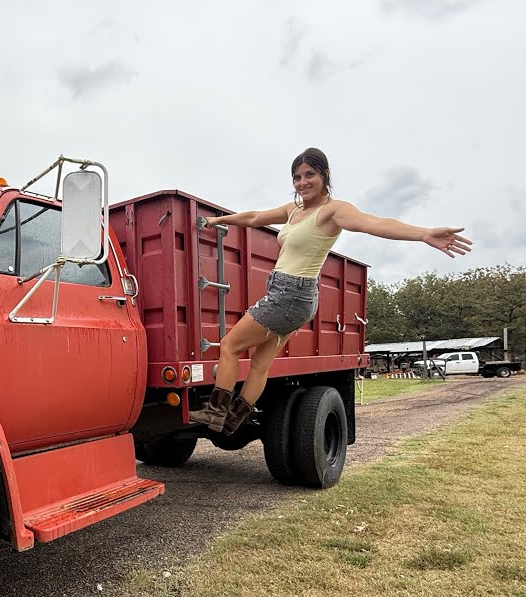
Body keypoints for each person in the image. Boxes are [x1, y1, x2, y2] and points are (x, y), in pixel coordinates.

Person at [190, 147, 472, 434]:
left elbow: (373, 223)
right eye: (297, 177)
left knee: (229, 346)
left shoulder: (333, 211)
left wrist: (423, 234)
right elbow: (254, 217)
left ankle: (215, 412)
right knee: (260, 364)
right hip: (294, 297)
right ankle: (232, 421)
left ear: (324, 175)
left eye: (309, 174)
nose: (302, 182)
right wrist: (219, 221)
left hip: (289, 295)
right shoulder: (294, 211)